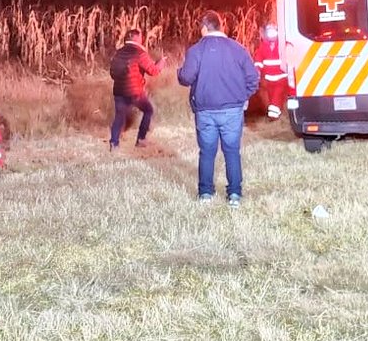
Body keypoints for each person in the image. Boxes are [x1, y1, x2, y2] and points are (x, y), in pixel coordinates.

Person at [177, 11, 259, 208]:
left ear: (205, 27)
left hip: (205, 111)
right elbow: (253, 78)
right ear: (221, 26)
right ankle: (234, 195)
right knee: (232, 151)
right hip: (232, 110)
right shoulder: (238, 49)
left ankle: (205, 192)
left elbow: (186, 78)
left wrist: (179, 72)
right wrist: (242, 97)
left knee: (207, 152)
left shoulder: (196, 51)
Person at [108, 29, 164, 150]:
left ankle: (114, 143)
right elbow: (153, 71)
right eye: (140, 37)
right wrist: (161, 63)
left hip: (119, 91)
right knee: (148, 110)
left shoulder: (118, 53)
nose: (142, 39)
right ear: (136, 38)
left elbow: (112, 73)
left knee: (119, 116)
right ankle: (141, 139)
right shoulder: (139, 53)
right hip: (135, 92)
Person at [253, 24, 287, 119]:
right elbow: (258, 59)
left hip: (281, 77)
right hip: (268, 79)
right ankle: (277, 114)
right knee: (272, 97)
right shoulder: (263, 46)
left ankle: (273, 117)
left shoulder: (282, 45)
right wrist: (257, 70)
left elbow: (289, 56)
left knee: (277, 95)